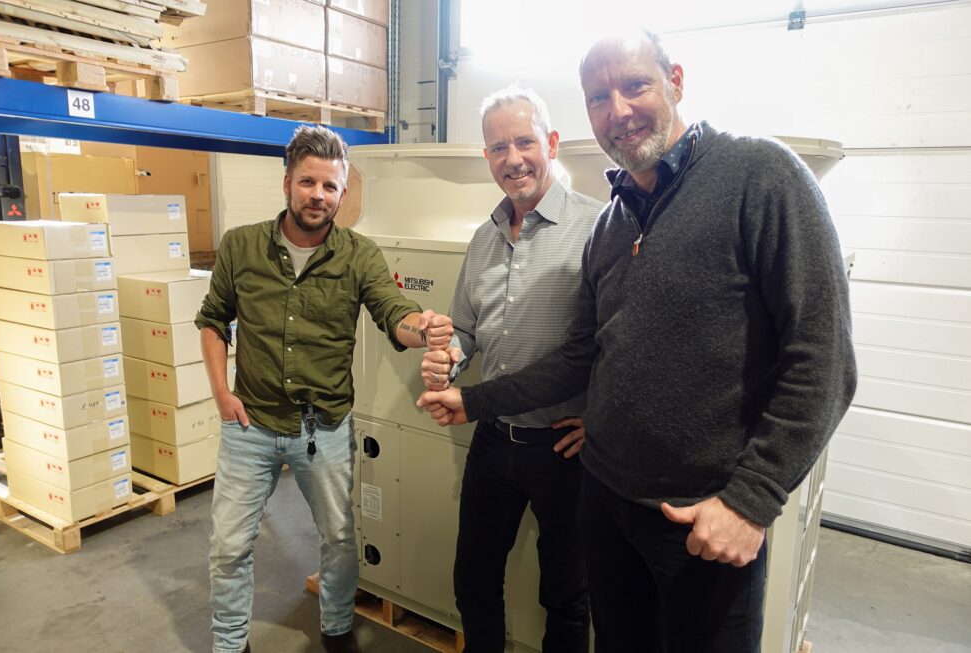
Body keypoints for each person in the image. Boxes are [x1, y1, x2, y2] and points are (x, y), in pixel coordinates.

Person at [417, 31, 857, 653]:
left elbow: (824, 359)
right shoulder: (613, 223)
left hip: (700, 517)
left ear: (675, 81)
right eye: (599, 98)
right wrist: (473, 401)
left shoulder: (760, 175)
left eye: (635, 86)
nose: (618, 110)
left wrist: (752, 499)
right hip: (606, 501)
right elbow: (584, 355)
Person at [197, 124, 453, 653]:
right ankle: (230, 644)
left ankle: (336, 630)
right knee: (229, 546)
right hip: (250, 424)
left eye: (330, 186)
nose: (318, 195)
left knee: (338, 538)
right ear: (287, 183)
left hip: (324, 428)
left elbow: (393, 313)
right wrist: (222, 393)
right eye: (308, 182)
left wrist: (422, 326)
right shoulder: (241, 246)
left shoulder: (359, 255)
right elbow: (213, 320)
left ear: (341, 192)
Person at [420, 87, 602, 653]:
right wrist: (449, 358)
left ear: (551, 143)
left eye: (525, 142)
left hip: (564, 450)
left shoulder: (598, 228)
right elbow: (466, 328)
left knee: (567, 596)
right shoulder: (484, 238)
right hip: (494, 441)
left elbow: (616, 346)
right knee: (473, 580)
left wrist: (603, 419)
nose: (513, 158)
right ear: (487, 157)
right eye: (499, 148)